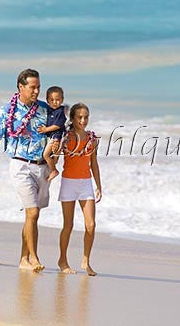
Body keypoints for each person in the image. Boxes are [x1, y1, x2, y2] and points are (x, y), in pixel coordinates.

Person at [0, 68, 50, 272]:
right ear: (21, 87)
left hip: (43, 166)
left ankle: (23, 259)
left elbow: (57, 134)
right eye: (33, 87)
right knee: (33, 212)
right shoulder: (6, 111)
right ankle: (35, 257)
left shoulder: (44, 109)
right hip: (20, 165)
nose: (37, 91)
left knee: (32, 215)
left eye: (38, 87)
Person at [57, 103, 102, 276]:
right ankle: (62, 260)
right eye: (79, 117)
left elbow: (94, 164)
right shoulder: (66, 137)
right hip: (68, 182)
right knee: (68, 225)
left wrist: (99, 185)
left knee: (91, 225)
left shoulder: (92, 139)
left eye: (86, 117)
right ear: (73, 118)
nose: (83, 120)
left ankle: (86, 260)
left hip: (86, 184)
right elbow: (54, 154)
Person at [37, 86, 67, 181]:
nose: (55, 102)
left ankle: (54, 170)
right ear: (47, 100)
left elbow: (58, 125)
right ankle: (52, 166)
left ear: (62, 100)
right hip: (52, 136)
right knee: (53, 156)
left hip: (56, 136)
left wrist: (46, 129)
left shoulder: (60, 111)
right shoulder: (49, 110)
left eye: (57, 100)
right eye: (52, 100)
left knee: (46, 155)